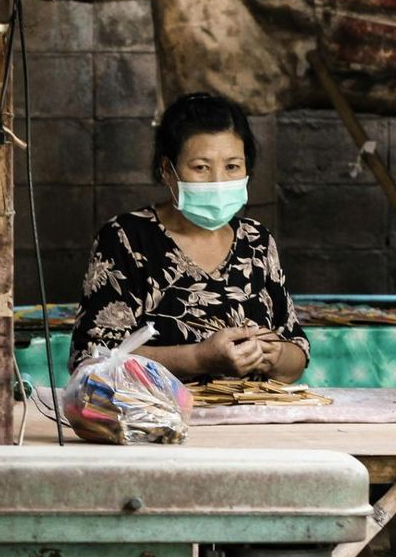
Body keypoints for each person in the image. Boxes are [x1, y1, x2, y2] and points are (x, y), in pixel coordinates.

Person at [72, 92, 309, 383]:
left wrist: (275, 355)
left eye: (232, 166)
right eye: (200, 167)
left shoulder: (257, 241)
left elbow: (296, 352)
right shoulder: (125, 239)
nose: (218, 181)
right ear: (166, 171)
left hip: (251, 421)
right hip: (159, 420)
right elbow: (93, 357)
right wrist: (199, 357)